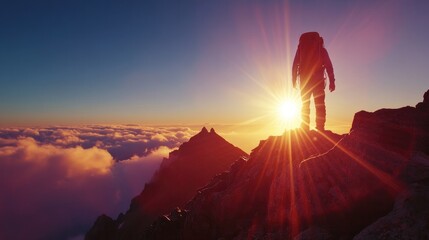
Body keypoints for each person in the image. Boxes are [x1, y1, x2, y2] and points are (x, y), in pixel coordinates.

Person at [292, 32, 336, 131]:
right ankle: (320, 127)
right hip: (318, 81)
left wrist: (293, 80)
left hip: (305, 81)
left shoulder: (301, 50)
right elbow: (329, 66)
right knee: (319, 104)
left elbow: (295, 64)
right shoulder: (322, 50)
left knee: (305, 104)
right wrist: (332, 82)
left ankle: (304, 127)